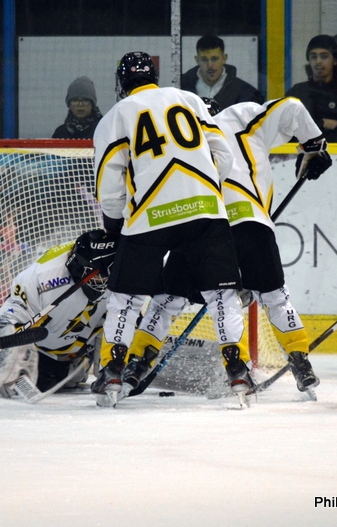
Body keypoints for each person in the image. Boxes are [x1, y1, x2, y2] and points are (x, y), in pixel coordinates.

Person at [122, 96, 334, 400]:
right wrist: (314, 145)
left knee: (168, 299)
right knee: (274, 296)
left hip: (201, 225)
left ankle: (138, 364)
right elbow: (292, 107)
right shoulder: (239, 116)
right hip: (249, 221)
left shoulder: (180, 136)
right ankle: (300, 363)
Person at [93, 51, 249, 408]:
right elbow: (223, 155)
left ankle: (112, 370)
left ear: (122, 83)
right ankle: (238, 369)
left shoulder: (115, 116)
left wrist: (114, 224)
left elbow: (109, 184)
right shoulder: (189, 99)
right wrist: (202, 189)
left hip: (149, 216)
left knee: (126, 297)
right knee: (221, 294)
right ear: (154, 75)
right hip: (205, 211)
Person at [0, 230, 115, 400]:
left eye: (106, 276)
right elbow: (13, 313)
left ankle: (78, 361)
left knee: (71, 377)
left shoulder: (118, 269)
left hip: (78, 347)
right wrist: (9, 340)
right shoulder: (44, 277)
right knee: (40, 377)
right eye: (97, 277)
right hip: (42, 350)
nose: (102, 282)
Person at [286, 35, 337, 142]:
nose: (318, 61)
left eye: (324, 56)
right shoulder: (297, 92)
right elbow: (286, 132)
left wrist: (307, 126)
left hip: (336, 153)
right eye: (313, 57)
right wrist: (323, 123)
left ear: (335, 60)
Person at [180, 35, 264, 111]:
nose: (210, 65)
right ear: (197, 60)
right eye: (204, 59)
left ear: (224, 58)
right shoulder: (181, 88)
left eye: (214, 59)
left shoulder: (245, 92)